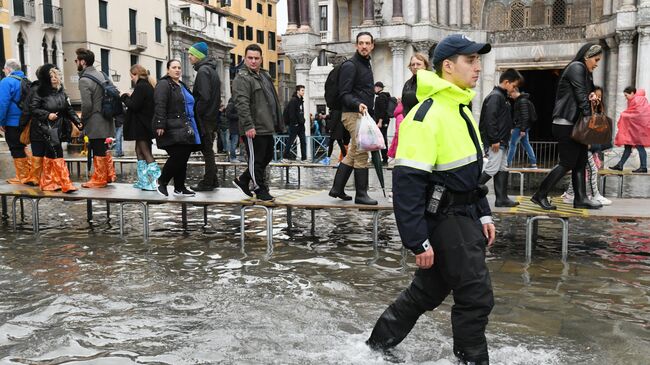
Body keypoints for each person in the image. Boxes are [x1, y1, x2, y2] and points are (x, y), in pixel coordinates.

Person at [366, 34, 495, 365]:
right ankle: (472, 361)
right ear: (448, 67)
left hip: (465, 215)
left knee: (426, 293)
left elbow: (471, 172)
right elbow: (407, 184)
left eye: (478, 60)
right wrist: (417, 241)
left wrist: (484, 214)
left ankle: (374, 349)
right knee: (476, 297)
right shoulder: (425, 116)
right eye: (471, 60)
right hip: (447, 220)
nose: (478, 67)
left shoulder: (459, 108)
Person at [531, 43, 604, 210]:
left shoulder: (583, 71)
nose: (597, 63)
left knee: (580, 162)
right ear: (587, 56)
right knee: (567, 162)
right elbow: (580, 97)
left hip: (573, 123)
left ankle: (581, 199)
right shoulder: (576, 67)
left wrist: (591, 95)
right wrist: (589, 123)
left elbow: (585, 94)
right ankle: (540, 195)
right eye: (596, 59)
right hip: (567, 123)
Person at [328, 32, 378, 205]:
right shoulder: (351, 65)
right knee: (362, 151)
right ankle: (361, 194)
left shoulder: (366, 64)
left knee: (354, 151)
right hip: (352, 114)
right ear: (356, 45)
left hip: (361, 114)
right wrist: (358, 105)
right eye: (361, 43)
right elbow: (344, 94)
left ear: (372, 45)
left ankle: (337, 188)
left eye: (367, 43)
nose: (364, 46)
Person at [231, 44, 283, 202]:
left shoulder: (265, 76)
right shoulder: (242, 78)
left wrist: (277, 123)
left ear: (261, 59)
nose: (253, 61)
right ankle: (260, 188)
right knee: (256, 159)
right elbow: (242, 103)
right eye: (250, 58)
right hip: (254, 127)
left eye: (256, 58)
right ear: (245, 59)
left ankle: (243, 180)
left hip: (267, 125)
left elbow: (272, 100)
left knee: (266, 156)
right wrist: (248, 126)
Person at [29, 64, 82, 193]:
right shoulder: (39, 92)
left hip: (59, 127)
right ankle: (65, 183)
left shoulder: (61, 92)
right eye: (50, 76)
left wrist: (77, 121)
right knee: (58, 152)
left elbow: (68, 109)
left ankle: (48, 182)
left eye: (55, 76)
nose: (53, 78)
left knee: (50, 154)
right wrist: (48, 114)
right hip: (45, 127)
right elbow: (33, 108)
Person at [153, 59, 202, 197]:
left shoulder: (181, 85)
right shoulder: (163, 84)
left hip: (185, 126)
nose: (177, 70)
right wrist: (160, 123)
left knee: (184, 155)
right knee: (178, 155)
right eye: (174, 67)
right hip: (170, 126)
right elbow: (160, 104)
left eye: (179, 67)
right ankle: (162, 181)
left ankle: (179, 187)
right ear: (168, 70)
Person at [478, 68, 523, 207]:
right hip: (497, 141)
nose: (514, 89)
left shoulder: (500, 96)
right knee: (492, 168)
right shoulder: (496, 96)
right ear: (506, 82)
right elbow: (490, 119)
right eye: (514, 86)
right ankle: (469, 191)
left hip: (501, 140)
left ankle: (501, 198)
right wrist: (494, 140)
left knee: (502, 168)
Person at [562, 86, 612, 205]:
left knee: (580, 169)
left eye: (600, 97)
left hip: (587, 144)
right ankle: (595, 195)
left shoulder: (593, 109)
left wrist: (598, 105)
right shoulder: (585, 109)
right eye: (596, 96)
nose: (598, 99)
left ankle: (569, 194)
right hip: (584, 144)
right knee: (592, 170)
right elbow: (585, 126)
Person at [76, 48, 117, 188]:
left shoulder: (84, 80)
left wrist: (83, 120)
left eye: (77, 60)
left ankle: (99, 179)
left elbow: (86, 105)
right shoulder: (102, 75)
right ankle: (108, 175)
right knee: (104, 147)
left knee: (97, 148)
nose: (76, 63)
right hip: (107, 117)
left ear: (83, 62)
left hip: (95, 120)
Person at [188, 41, 221, 192]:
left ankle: (208, 182)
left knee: (207, 150)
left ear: (198, 56)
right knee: (208, 150)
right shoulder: (212, 71)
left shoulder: (203, 72)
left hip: (204, 118)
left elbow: (204, 97)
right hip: (212, 117)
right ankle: (213, 180)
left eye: (191, 54)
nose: (189, 57)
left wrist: (195, 112)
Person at [121, 64, 158, 191]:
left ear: (135, 74)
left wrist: (124, 97)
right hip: (144, 125)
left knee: (145, 152)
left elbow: (134, 105)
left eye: (131, 76)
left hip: (142, 125)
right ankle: (143, 180)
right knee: (139, 151)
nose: (131, 79)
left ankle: (153, 181)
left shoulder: (141, 87)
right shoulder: (147, 86)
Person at [0, 59, 31, 184]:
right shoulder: (26, 80)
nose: (4, 71)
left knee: (15, 148)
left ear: (8, 69)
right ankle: (30, 173)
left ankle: (22, 176)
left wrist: (1, 122)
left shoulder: (6, 81)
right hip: (25, 121)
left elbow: (3, 104)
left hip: (12, 121)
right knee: (22, 145)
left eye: (4, 69)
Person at [609, 86, 650, 173]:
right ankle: (620, 165)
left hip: (637, 129)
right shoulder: (637, 99)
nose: (625, 97)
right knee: (628, 146)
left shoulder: (637, 99)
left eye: (626, 95)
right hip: (634, 128)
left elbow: (639, 114)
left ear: (632, 93)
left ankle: (643, 167)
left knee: (639, 146)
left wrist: (625, 115)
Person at [506, 88, 538, 168]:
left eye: (510, 94)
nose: (510, 96)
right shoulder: (521, 100)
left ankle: (507, 163)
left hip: (520, 127)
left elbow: (525, 116)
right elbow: (522, 116)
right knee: (526, 144)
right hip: (522, 127)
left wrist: (522, 129)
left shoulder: (521, 101)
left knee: (512, 144)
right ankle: (534, 163)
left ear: (514, 92)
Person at [401, 53, 430, 117]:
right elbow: (405, 107)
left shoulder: (431, 81)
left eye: (418, 64)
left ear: (425, 66)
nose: (415, 67)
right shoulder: (407, 84)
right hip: (410, 120)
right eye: (413, 65)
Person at [283, 85, 307, 162]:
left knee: (303, 141)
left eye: (304, 90)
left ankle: (304, 158)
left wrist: (303, 120)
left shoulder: (301, 100)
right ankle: (285, 157)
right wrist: (295, 123)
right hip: (294, 125)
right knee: (291, 141)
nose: (303, 92)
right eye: (302, 90)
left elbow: (301, 112)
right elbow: (291, 113)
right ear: (298, 91)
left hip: (301, 124)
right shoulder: (293, 100)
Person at [373, 81, 391, 164]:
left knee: (382, 139)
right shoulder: (383, 96)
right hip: (384, 121)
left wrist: (380, 121)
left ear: (378, 88)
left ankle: (384, 159)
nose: (374, 89)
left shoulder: (381, 97)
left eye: (375, 87)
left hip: (382, 122)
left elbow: (382, 110)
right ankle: (382, 158)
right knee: (381, 139)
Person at [225, 97, 240, 162]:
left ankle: (232, 157)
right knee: (233, 143)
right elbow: (228, 115)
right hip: (234, 127)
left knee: (234, 143)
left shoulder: (233, 104)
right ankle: (232, 157)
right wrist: (238, 116)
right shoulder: (231, 104)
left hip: (236, 127)